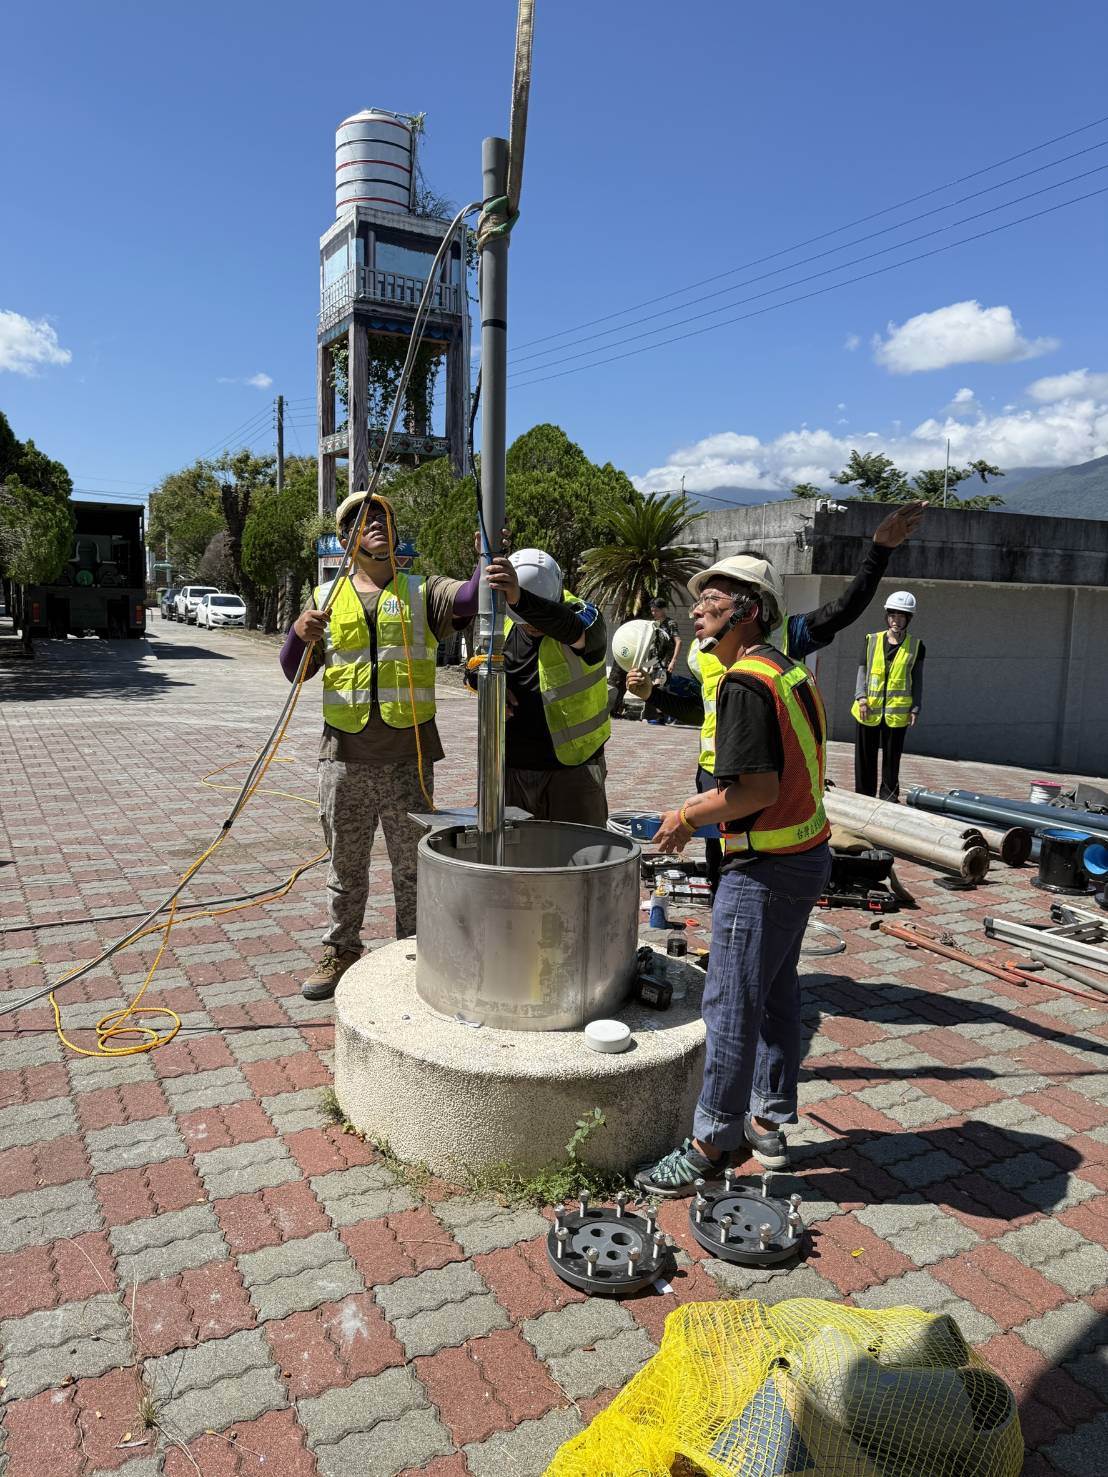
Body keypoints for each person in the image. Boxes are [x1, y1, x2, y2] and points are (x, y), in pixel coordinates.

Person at [634, 555, 832, 1192]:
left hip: (766, 867)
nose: (695, 609)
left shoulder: (745, 683)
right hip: (804, 855)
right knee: (775, 989)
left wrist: (686, 816)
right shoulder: (783, 669)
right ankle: (770, 1119)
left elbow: (753, 790)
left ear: (747, 609)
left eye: (710, 599)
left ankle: (711, 1140)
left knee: (729, 1001)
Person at [630, 502, 925, 891]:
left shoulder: (786, 635)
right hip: (715, 772)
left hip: (760, 777)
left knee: (753, 871)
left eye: (718, 595)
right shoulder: (705, 650)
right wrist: (653, 695)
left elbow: (844, 609)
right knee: (723, 866)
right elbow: (699, 711)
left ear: (751, 606)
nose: (699, 610)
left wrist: (879, 551)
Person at [280, 490, 482, 1001]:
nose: (376, 523)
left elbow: (467, 600)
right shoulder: (324, 597)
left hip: (407, 760)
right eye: (362, 519)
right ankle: (343, 948)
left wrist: (485, 558)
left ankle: (412, 951)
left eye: (383, 516)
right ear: (345, 540)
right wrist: (297, 634)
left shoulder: (421, 589)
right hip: (343, 759)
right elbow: (294, 673)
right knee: (345, 867)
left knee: (412, 868)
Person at [479, 547, 610, 825]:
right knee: (513, 863)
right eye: (523, 621)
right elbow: (477, 662)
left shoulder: (585, 615)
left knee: (580, 860)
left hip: (574, 771)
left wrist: (521, 601)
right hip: (510, 768)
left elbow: (572, 628)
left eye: (532, 618)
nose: (530, 626)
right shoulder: (504, 621)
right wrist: (487, 688)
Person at [852, 590, 924, 802]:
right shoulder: (871, 640)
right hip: (869, 709)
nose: (896, 620)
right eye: (892, 615)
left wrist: (915, 707)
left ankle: (889, 796)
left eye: (901, 616)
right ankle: (864, 796)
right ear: (887, 616)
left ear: (908, 619)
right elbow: (862, 671)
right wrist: (861, 698)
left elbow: (917, 679)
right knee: (865, 757)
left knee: (892, 758)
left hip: (897, 712)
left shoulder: (916, 646)